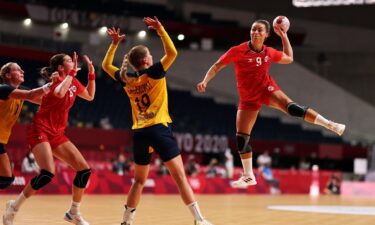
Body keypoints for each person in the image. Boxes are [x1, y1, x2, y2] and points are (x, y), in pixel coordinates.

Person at [197, 19, 346, 188]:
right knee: (241, 139)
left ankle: (329, 124)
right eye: (253, 29)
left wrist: (284, 36)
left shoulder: (268, 52)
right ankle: (248, 175)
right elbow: (217, 66)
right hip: (247, 99)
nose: (255, 33)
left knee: (292, 108)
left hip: (266, 90)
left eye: (260, 30)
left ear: (266, 35)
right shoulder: (238, 50)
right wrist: (205, 81)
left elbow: (289, 58)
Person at [102, 17, 213, 225]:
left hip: (139, 132)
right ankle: (199, 220)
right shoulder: (154, 73)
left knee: (138, 181)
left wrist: (114, 44)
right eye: (150, 56)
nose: (153, 57)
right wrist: (161, 29)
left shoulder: (126, 79)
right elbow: (172, 53)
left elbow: (106, 65)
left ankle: (126, 221)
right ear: (145, 61)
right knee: (180, 178)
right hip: (158, 129)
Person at [2, 53, 96, 225]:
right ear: (60, 68)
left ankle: (73, 212)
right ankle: (13, 208)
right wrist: (71, 74)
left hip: (58, 133)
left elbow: (90, 96)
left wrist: (91, 74)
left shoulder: (72, 81)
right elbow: (59, 93)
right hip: (40, 129)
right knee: (47, 173)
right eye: (68, 61)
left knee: (84, 170)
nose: (72, 62)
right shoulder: (56, 82)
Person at [0, 62, 53, 190]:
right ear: (7, 75)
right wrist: (52, 84)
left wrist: (63, 86)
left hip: (0, 139)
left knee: (6, 179)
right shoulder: (3, 88)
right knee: (6, 178)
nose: (22, 71)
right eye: (18, 70)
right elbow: (31, 95)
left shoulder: (20, 91)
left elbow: (42, 100)